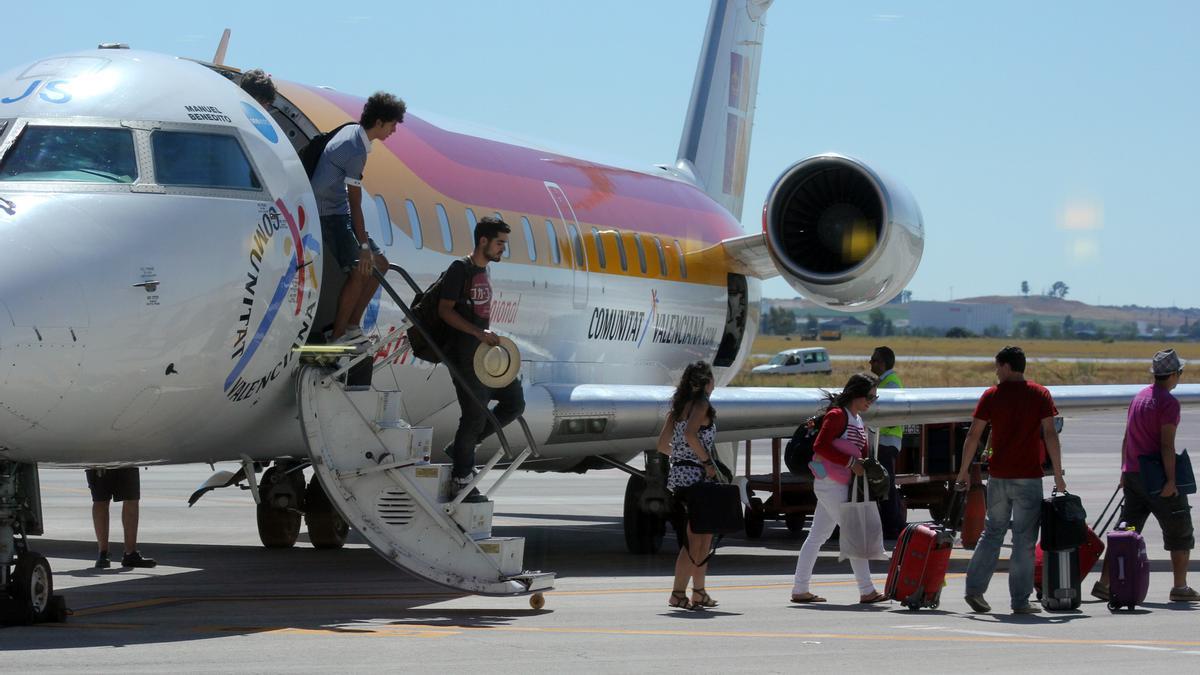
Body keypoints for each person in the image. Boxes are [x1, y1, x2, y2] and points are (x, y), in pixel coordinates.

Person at [955, 346, 1065, 614]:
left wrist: (963, 472)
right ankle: (1019, 601)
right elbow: (1050, 434)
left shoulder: (992, 395)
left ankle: (974, 589)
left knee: (992, 532)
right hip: (1028, 478)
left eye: (997, 367)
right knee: (1024, 541)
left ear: (1006, 367)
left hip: (1000, 477)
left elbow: (973, 436)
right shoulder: (1040, 394)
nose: (996, 372)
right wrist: (1059, 475)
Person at [1092, 349, 1199, 603]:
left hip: (1132, 474)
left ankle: (1105, 583)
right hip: (1156, 478)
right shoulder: (1168, 403)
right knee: (1179, 526)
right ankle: (1180, 586)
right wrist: (1171, 481)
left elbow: (1127, 436)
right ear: (1173, 374)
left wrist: (1123, 470)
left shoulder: (1139, 397)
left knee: (1125, 529)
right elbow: (1166, 446)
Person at [440, 216, 525, 503]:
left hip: (484, 357)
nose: (503, 249)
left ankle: (462, 448)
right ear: (483, 241)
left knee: (515, 402)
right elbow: (445, 311)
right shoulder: (459, 269)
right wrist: (477, 332)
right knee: (474, 414)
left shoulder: (484, 271)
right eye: (500, 243)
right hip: (462, 356)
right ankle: (461, 479)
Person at [310, 91, 406, 345]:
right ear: (380, 122)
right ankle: (337, 335)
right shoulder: (355, 150)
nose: (393, 131)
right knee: (360, 270)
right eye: (393, 125)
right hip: (328, 213)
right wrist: (363, 247)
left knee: (381, 265)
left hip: (337, 209)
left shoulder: (354, 133)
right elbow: (355, 202)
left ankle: (352, 326)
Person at [790, 372, 887, 604]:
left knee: (817, 536)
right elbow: (820, 445)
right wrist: (851, 463)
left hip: (835, 484)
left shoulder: (855, 418)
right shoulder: (837, 416)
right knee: (853, 532)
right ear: (857, 394)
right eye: (870, 397)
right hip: (831, 483)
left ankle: (800, 589)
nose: (871, 402)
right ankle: (867, 590)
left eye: (874, 397)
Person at [658, 361, 721, 610]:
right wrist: (705, 462)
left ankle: (697, 592)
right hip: (696, 478)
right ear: (707, 382)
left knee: (700, 538)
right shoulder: (701, 405)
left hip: (679, 476)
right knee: (696, 540)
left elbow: (663, 446)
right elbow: (690, 435)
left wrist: (682, 457)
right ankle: (681, 592)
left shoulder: (678, 409)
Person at [85, 467, 156, 569]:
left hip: (128, 457)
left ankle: (130, 553)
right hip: (100, 457)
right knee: (100, 500)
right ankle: (103, 553)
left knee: (131, 498)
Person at [868, 346, 906, 539]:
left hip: (886, 440)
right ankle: (893, 525)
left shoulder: (890, 384)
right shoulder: (885, 381)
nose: (870, 363)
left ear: (882, 363)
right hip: (883, 440)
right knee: (884, 486)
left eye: (874, 360)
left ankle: (894, 527)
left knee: (885, 487)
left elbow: (884, 412)